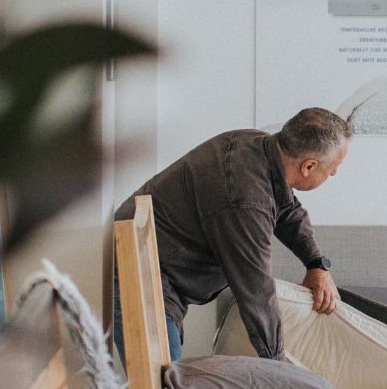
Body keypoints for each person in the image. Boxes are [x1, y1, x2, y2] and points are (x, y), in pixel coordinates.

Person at [112, 107, 349, 362]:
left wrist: (316, 264)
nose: (334, 173)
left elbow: (288, 210)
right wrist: (279, 367)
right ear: (309, 166)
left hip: (156, 264)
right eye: (334, 167)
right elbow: (256, 291)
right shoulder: (246, 201)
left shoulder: (256, 144)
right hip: (144, 275)